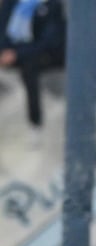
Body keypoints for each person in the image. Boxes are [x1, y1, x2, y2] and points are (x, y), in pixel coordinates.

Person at [0, 0, 66, 147]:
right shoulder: (11, 3)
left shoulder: (52, 5)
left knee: (30, 68)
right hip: (13, 52)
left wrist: (16, 54)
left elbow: (48, 42)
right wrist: (4, 51)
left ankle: (35, 124)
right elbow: (3, 27)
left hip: (42, 55)